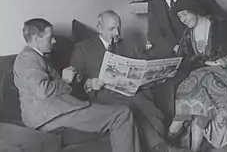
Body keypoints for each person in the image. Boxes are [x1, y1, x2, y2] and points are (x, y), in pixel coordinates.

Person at [70, 10, 192, 152]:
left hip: (134, 92)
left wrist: (163, 74)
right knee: (132, 115)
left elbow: (145, 66)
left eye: (118, 28)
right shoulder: (83, 48)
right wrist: (89, 83)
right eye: (111, 29)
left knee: (153, 114)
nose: (116, 33)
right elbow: (74, 78)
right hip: (105, 95)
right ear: (99, 28)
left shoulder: (129, 46)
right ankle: (165, 148)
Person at [13, 18, 141, 152]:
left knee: (123, 110)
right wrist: (66, 80)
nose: (54, 41)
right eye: (50, 37)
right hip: (49, 116)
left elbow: (47, 86)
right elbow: (42, 90)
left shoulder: (37, 56)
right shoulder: (28, 58)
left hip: (53, 111)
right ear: (35, 39)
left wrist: (74, 79)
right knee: (122, 114)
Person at [167, 1, 227, 151]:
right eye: (180, 16)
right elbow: (185, 60)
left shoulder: (220, 26)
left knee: (201, 78)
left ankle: (176, 125)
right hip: (207, 80)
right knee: (201, 93)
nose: (183, 19)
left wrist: (222, 61)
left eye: (185, 13)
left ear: (195, 9)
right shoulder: (188, 33)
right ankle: (194, 148)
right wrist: (174, 69)